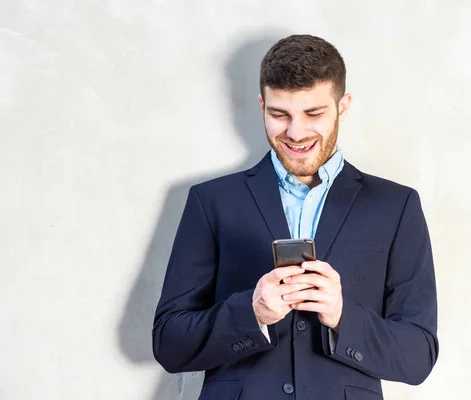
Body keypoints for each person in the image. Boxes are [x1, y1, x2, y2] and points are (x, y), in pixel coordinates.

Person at [152, 34, 439, 400]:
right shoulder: (211, 201)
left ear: (343, 105)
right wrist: (250, 313)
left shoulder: (396, 206)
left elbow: (418, 357)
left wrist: (342, 316)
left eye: (314, 114)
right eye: (279, 114)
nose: (296, 132)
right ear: (262, 106)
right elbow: (169, 343)